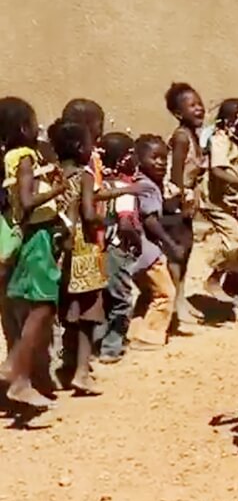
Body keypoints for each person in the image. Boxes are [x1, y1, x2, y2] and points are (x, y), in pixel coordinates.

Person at [0, 97, 66, 407]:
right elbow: (27, 201)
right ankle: (15, 367)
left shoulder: (12, 156)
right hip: (36, 237)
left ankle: (22, 372)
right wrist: (57, 190)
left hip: (27, 237)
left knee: (32, 306)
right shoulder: (25, 156)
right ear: (25, 127)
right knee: (42, 304)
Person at [53, 119, 108, 396]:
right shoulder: (84, 176)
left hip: (58, 250)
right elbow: (88, 213)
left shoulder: (53, 175)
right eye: (89, 144)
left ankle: (65, 365)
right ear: (79, 147)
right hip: (83, 248)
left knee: (67, 311)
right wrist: (103, 219)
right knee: (89, 311)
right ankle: (82, 372)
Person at [201, 98, 238, 309]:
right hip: (216, 203)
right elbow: (217, 169)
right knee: (235, 241)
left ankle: (223, 282)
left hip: (232, 203)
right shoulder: (220, 140)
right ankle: (213, 277)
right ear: (235, 121)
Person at [128, 135, 180, 349]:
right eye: (155, 158)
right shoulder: (146, 186)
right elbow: (149, 220)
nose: (161, 163)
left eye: (164, 159)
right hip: (148, 253)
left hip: (138, 251)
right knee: (166, 293)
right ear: (139, 159)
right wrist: (170, 243)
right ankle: (149, 336)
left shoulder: (142, 183)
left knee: (148, 293)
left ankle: (134, 329)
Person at [95, 133, 141, 364]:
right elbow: (125, 223)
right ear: (125, 159)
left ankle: (96, 342)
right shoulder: (124, 187)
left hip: (98, 249)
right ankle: (111, 347)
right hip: (117, 250)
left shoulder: (99, 184)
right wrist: (138, 241)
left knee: (101, 297)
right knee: (121, 298)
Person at [164, 82, 207, 326]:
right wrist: (181, 202)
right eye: (192, 106)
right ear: (179, 113)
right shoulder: (181, 137)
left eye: (199, 103)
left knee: (187, 250)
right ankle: (175, 302)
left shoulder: (194, 136)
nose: (199, 108)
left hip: (187, 201)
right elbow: (176, 175)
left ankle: (181, 298)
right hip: (176, 201)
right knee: (177, 252)